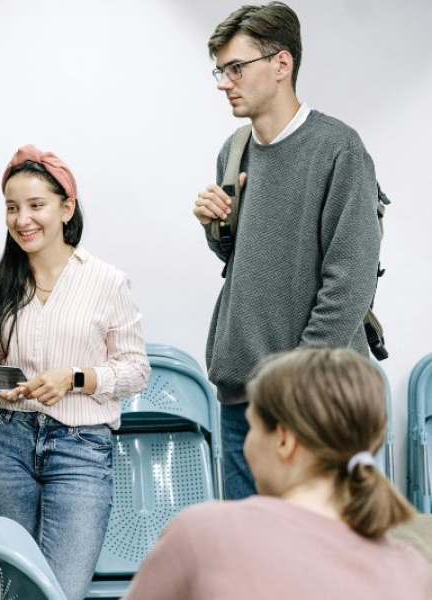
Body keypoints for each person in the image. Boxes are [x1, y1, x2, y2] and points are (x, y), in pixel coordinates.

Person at [192, 2, 382, 499]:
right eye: (220, 70)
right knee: (248, 544)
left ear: (281, 63)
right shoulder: (233, 151)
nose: (224, 83)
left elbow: (351, 282)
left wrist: (294, 383)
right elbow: (247, 261)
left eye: (236, 68)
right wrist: (216, 228)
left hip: (315, 399)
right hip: (241, 397)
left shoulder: (338, 149)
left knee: (321, 543)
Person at [0, 144, 150, 600]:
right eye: (12, 207)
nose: (22, 219)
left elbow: (136, 370)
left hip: (81, 448)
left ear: (66, 208)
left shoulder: (107, 281)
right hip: (2, 442)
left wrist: (74, 377)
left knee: (61, 591)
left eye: (36, 205)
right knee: (17, 591)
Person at [124, 348, 432, 600]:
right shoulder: (412, 570)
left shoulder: (203, 533)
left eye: (253, 428)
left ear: (283, 440)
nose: (246, 445)